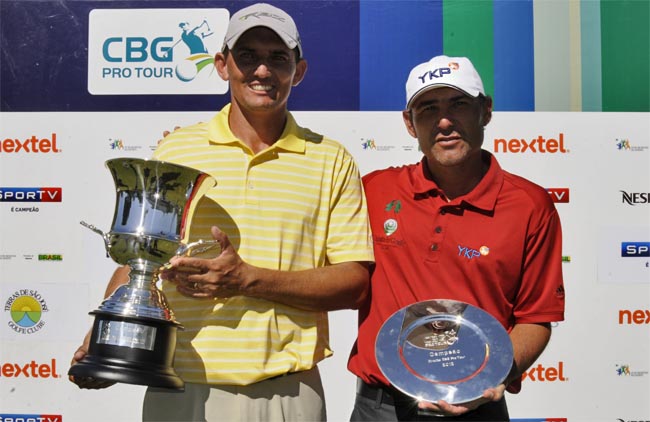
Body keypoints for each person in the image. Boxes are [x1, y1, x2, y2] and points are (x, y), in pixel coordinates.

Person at [69, 3, 374, 421]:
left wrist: (247, 279)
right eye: (247, 55)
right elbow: (144, 259)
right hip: (182, 389)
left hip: (287, 394)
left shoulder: (331, 160)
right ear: (221, 65)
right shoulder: (178, 150)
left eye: (277, 58)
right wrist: (109, 335)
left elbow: (353, 283)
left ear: (298, 71)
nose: (262, 71)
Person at [347, 55, 566, 421]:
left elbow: (536, 319)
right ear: (410, 123)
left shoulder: (530, 205)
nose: (445, 121)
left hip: (478, 407)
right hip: (379, 408)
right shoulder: (374, 191)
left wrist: (494, 376)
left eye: (459, 104)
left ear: (486, 110)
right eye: (428, 108)